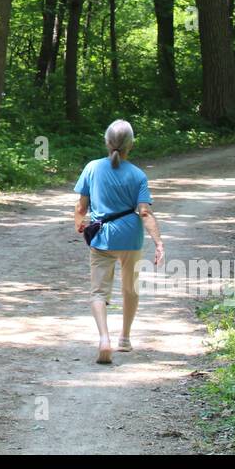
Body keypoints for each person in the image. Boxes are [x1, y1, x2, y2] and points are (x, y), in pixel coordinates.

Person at [73, 119, 164, 364]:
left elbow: (81, 206)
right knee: (130, 288)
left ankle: (104, 339)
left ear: (106, 142)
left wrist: (79, 224)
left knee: (98, 292)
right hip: (131, 239)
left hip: (101, 237)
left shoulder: (91, 168)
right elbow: (144, 212)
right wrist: (158, 243)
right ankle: (124, 338)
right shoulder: (138, 175)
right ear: (130, 145)